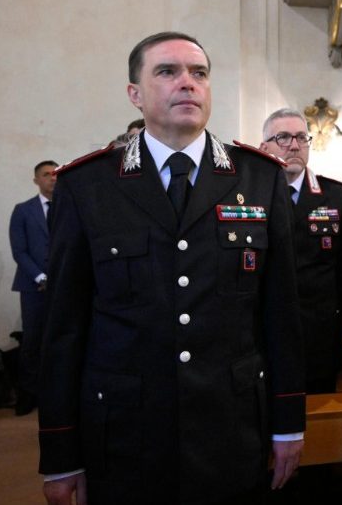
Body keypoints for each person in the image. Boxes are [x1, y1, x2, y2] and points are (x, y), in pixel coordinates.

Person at [38, 32, 306, 504]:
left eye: (199, 73)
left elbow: (281, 313)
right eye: (168, 72)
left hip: (231, 427)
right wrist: (61, 451)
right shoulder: (88, 186)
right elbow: (63, 328)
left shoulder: (259, 177)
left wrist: (288, 424)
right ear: (135, 94)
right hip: (126, 433)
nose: (188, 83)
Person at [259, 108, 342, 395]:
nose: (293, 145)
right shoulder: (250, 197)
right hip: (264, 335)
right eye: (283, 137)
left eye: (301, 137)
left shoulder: (337, 197)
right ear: (264, 146)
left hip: (318, 335)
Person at [8, 160, 57, 416]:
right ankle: (29, 394)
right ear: (36, 180)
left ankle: (57, 392)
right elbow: (20, 251)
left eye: (56, 173)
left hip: (63, 286)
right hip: (33, 286)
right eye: (46, 174)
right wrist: (40, 277)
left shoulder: (69, 208)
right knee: (33, 340)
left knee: (61, 338)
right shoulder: (23, 210)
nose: (52, 178)